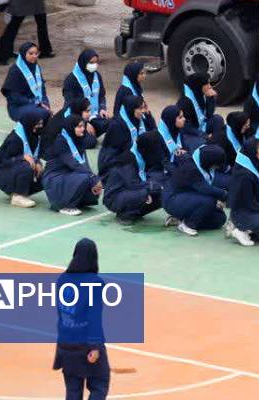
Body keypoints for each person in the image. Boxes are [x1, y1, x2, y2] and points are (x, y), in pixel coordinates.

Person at [52, 238, 109, 400]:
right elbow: (94, 318)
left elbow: (61, 313)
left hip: (66, 343)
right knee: (100, 383)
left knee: (73, 390)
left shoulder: (62, 279)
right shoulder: (95, 283)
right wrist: (95, 346)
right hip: (85, 344)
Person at [101, 104, 164, 227]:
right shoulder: (128, 159)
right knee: (146, 192)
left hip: (130, 191)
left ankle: (136, 212)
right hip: (115, 197)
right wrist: (152, 187)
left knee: (162, 193)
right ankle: (125, 214)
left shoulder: (143, 156)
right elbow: (132, 185)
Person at [162, 144, 227, 236]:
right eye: (216, 164)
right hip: (173, 199)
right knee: (209, 201)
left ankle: (180, 219)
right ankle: (188, 224)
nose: (217, 167)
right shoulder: (190, 167)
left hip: (191, 198)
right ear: (209, 161)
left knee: (219, 218)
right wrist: (224, 194)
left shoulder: (204, 164)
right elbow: (204, 188)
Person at [0, 108, 49, 207]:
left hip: (16, 169)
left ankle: (20, 192)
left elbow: (34, 154)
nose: (39, 127)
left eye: (41, 124)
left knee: (46, 174)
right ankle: (18, 196)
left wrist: (37, 162)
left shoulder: (33, 134)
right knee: (26, 166)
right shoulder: (15, 139)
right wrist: (22, 157)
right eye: (37, 124)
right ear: (30, 122)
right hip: (0, 172)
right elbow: (4, 161)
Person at [43, 116, 102, 215]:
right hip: (55, 178)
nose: (83, 129)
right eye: (79, 127)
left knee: (93, 191)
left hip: (69, 174)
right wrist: (93, 178)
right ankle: (65, 205)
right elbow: (73, 164)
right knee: (84, 178)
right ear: (71, 127)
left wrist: (94, 181)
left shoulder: (79, 140)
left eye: (83, 126)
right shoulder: (61, 141)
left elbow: (84, 163)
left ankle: (75, 201)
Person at [98, 95, 150, 179]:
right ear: (131, 109)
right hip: (114, 163)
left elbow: (153, 135)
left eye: (144, 107)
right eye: (140, 108)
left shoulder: (139, 119)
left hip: (130, 158)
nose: (143, 111)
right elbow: (115, 153)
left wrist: (149, 116)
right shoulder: (117, 125)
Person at [62, 49, 110, 138]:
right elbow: (71, 105)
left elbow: (101, 95)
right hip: (76, 117)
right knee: (90, 141)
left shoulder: (97, 75)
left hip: (93, 115)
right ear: (83, 62)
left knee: (111, 124)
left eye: (96, 62)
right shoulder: (71, 79)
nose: (94, 65)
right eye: (91, 63)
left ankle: (93, 130)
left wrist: (102, 108)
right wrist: (84, 122)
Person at [1, 41, 51, 122]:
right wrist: (34, 102)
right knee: (40, 113)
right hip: (19, 106)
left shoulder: (36, 68)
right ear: (23, 54)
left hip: (36, 103)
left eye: (36, 53)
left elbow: (42, 89)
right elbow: (14, 97)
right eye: (30, 53)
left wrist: (45, 102)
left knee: (46, 111)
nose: (34, 56)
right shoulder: (15, 71)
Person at [176, 73, 225, 151]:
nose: (210, 86)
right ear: (199, 85)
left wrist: (211, 98)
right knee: (200, 143)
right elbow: (186, 127)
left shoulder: (201, 94)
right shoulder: (185, 102)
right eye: (207, 84)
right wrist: (203, 135)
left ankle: (216, 143)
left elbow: (209, 115)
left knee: (217, 119)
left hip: (200, 126)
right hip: (189, 133)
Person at [112, 62, 153, 127]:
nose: (144, 76)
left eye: (144, 73)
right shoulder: (126, 91)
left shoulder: (136, 86)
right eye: (141, 74)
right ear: (133, 74)